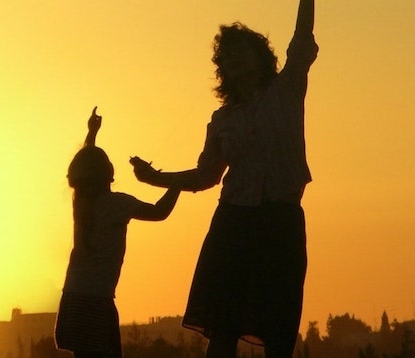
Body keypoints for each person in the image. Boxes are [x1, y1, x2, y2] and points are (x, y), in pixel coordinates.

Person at [130, 0, 318, 357]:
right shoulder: (221, 120)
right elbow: (205, 176)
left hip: (281, 222)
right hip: (233, 225)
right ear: (223, 69)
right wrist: (155, 178)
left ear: (260, 55)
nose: (233, 58)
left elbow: (302, 38)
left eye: (240, 50)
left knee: (278, 328)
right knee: (223, 327)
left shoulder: (287, 88)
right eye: (226, 55)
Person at [54, 107, 181, 358]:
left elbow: (87, 164)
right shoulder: (118, 204)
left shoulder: (80, 203)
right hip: (98, 302)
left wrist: (91, 133)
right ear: (109, 174)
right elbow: (159, 211)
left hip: (73, 300)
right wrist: (177, 183)